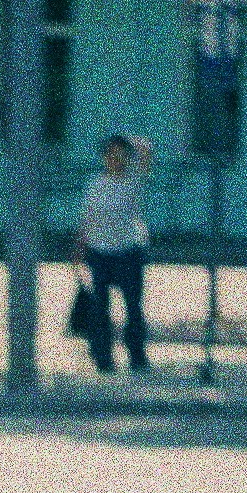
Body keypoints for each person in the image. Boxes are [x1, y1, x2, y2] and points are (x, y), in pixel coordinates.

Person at [71, 133, 152, 374]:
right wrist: (78, 249)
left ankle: (137, 357)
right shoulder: (95, 184)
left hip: (128, 252)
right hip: (98, 252)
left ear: (127, 157)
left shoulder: (133, 181)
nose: (115, 158)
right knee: (100, 308)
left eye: (120, 153)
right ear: (104, 157)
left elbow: (147, 152)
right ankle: (103, 359)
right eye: (110, 153)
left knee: (133, 308)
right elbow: (87, 219)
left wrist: (130, 140)